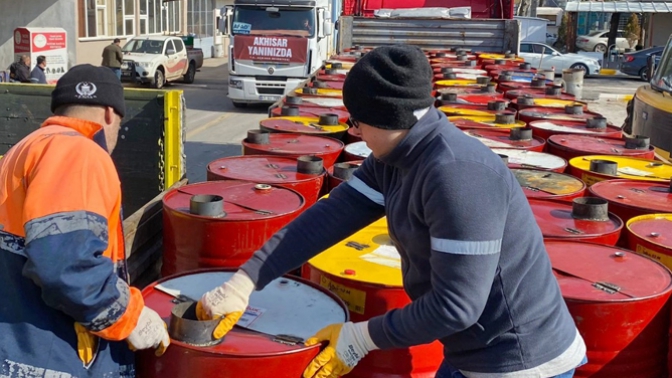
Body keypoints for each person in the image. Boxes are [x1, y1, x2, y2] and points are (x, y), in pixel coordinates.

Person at [197, 45, 588, 378]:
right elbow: (334, 214)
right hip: (469, 350)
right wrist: (245, 282)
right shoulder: (396, 156)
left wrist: (360, 338)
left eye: (358, 121)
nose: (354, 132)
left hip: (520, 361)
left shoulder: (457, 176)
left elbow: (456, 307)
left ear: (389, 117)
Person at [0, 64, 170, 377]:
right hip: (55, 356)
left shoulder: (24, 149)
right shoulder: (80, 152)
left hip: (19, 346)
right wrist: (129, 317)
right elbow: (65, 264)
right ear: (109, 114)